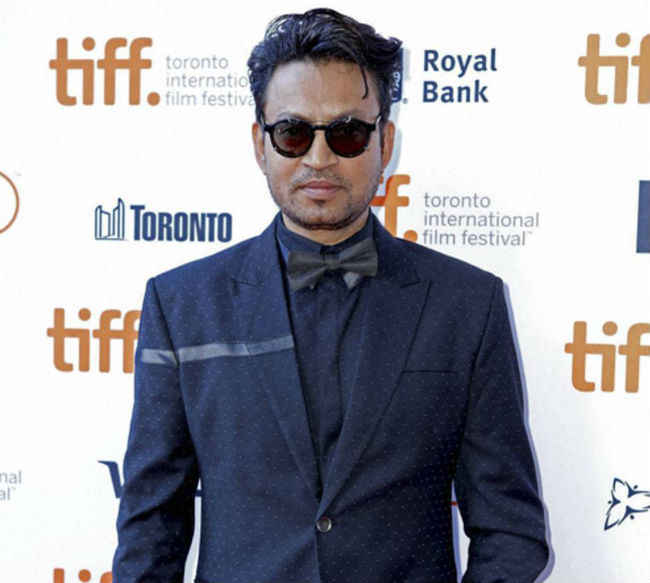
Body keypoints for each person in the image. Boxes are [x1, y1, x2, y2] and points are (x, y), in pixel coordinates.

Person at [111, 8, 549, 583]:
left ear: (384, 141)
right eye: (293, 133)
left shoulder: (466, 305)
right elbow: (150, 534)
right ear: (260, 144)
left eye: (347, 133)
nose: (319, 159)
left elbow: (511, 533)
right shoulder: (183, 305)